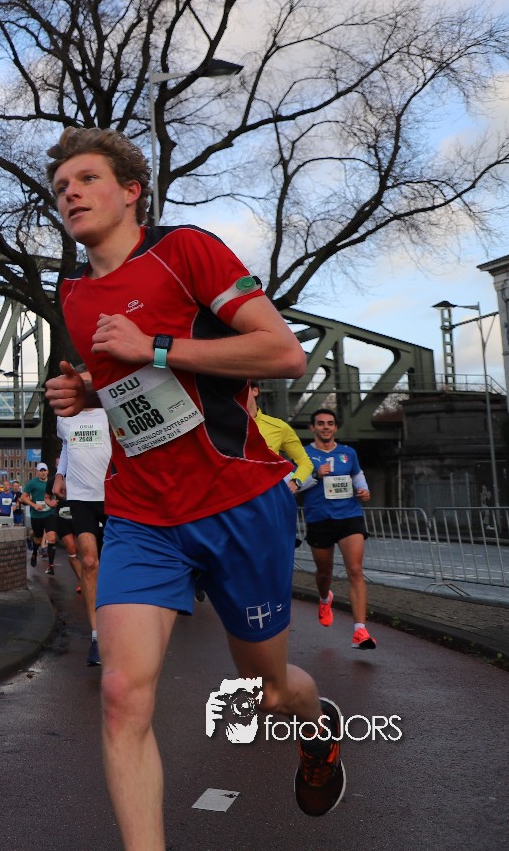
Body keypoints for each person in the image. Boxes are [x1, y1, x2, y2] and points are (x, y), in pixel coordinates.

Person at [42, 126, 347, 847]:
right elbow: (138, 391)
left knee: (271, 689)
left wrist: (152, 346)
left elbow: (283, 353)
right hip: (143, 513)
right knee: (121, 693)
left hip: (238, 501)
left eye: (86, 179)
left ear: (131, 191)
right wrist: (89, 392)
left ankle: (317, 727)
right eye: (60, 188)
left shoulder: (185, 251)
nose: (70, 194)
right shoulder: (74, 294)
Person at [301, 408, 376, 649]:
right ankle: (325, 598)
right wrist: (315, 475)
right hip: (319, 519)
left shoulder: (348, 453)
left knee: (355, 569)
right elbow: (293, 484)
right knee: (325, 572)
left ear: (335, 427)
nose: (326, 427)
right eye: (320, 423)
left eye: (330, 423)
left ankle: (360, 631)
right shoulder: (303, 454)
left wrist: (364, 490)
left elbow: (357, 475)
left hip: (349, 516)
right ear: (312, 428)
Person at [54, 405, 110, 667]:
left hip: (113, 494)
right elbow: (67, 446)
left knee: (115, 563)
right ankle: (97, 637)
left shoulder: (110, 410)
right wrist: (59, 475)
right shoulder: (64, 418)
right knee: (88, 561)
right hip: (80, 496)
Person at [249, 384, 313, 498]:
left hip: (267, 497)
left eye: (242, 389)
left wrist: (295, 482)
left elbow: (305, 462)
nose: (237, 394)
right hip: (234, 499)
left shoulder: (279, 427)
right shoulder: (222, 427)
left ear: (255, 391)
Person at [22, 462, 56, 572]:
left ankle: (51, 565)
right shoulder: (32, 483)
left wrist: (55, 502)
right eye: (40, 471)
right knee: (38, 539)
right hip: (37, 515)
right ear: (37, 472)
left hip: (50, 513)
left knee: (52, 537)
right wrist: (34, 505)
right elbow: (23, 497)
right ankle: (35, 552)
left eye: (44, 470)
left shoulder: (52, 482)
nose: (43, 472)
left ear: (47, 471)